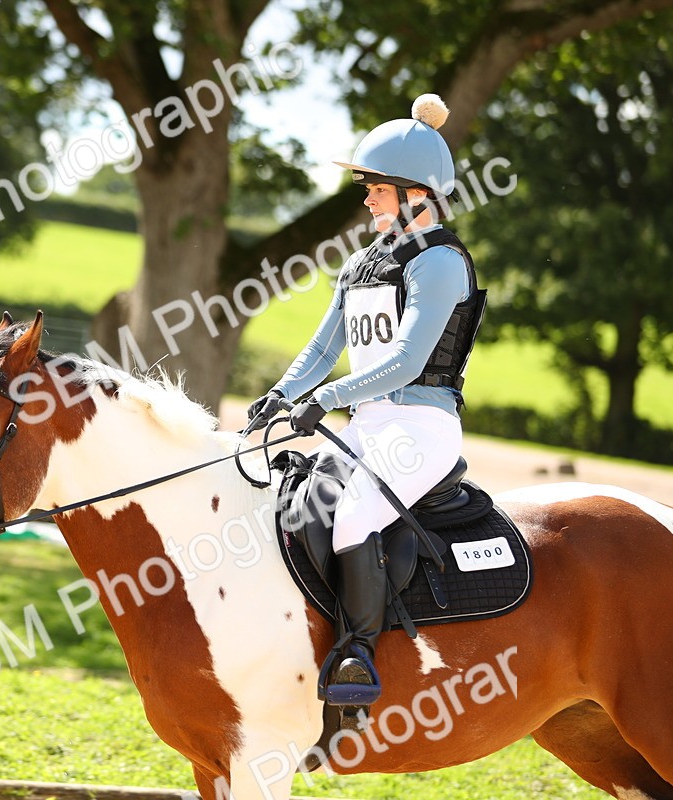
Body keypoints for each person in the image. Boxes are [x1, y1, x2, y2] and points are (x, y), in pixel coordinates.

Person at [246, 94, 487, 717]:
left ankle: (357, 658)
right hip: (367, 423)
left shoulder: (440, 263)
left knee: (353, 516)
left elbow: (404, 364)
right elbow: (323, 349)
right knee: (293, 504)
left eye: (377, 189)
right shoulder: (362, 264)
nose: (368, 200)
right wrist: (281, 395)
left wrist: (323, 401)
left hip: (422, 426)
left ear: (417, 194)